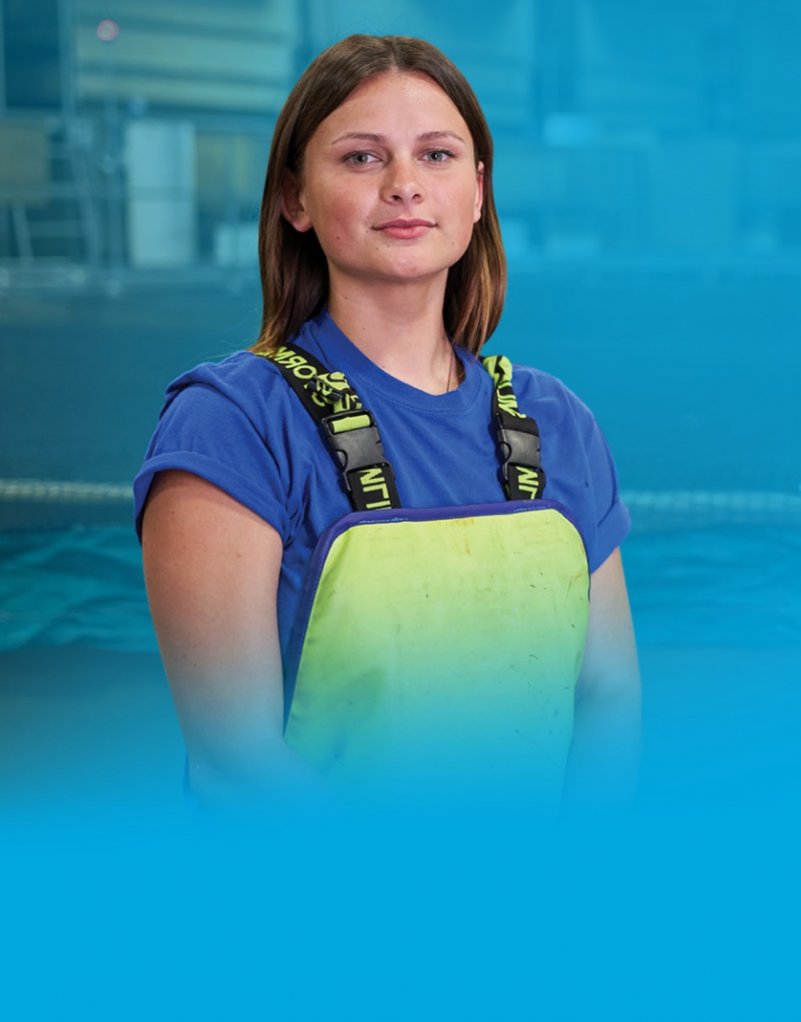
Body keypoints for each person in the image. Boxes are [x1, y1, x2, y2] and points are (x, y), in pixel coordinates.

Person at [135, 34, 640, 812]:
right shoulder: (233, 424)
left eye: (436, 156)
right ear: (294, 199)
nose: (405, 185)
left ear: (477, 193)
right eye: (362, 158)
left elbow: (607, 698)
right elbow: (235, 761)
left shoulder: (557, 421)